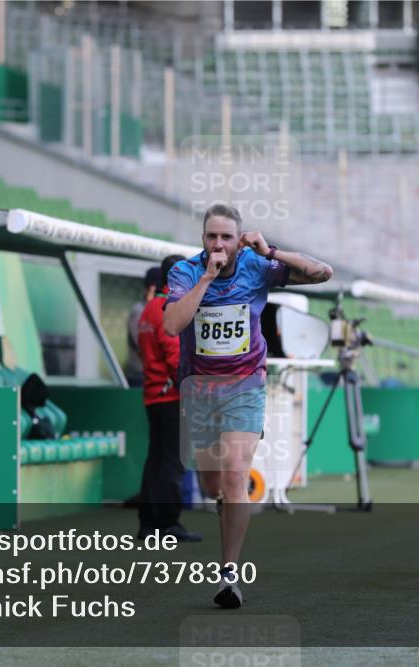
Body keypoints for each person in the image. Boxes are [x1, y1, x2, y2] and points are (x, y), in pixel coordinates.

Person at [163, 203, 333, 608]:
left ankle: (228, 576)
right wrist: (206, 278)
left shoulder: (257, 267)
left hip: (245, 385)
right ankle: (224, 505)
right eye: (211, 236)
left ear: (239, 239)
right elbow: (172, 325)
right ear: (202, 239)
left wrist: (271, 251)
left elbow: (322, 272)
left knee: (237, 474)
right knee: (212, 485)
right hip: (200, 389)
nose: (218, 243)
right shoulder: (185, 273)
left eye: (226, 236)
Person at [136, 255, 201, 543]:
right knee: (172, 463)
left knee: (156, 460)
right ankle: (167, 524)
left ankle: (149, 524)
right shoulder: (166, 309)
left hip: (154, 395)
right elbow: (175, 357)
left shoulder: (148, 309)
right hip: (171, 395)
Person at [124, 267, 161, 387]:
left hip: (150, 373)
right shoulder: (139, 310)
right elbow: (142, 344)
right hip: (139, 375)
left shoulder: (155, 309)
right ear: (151, 287)